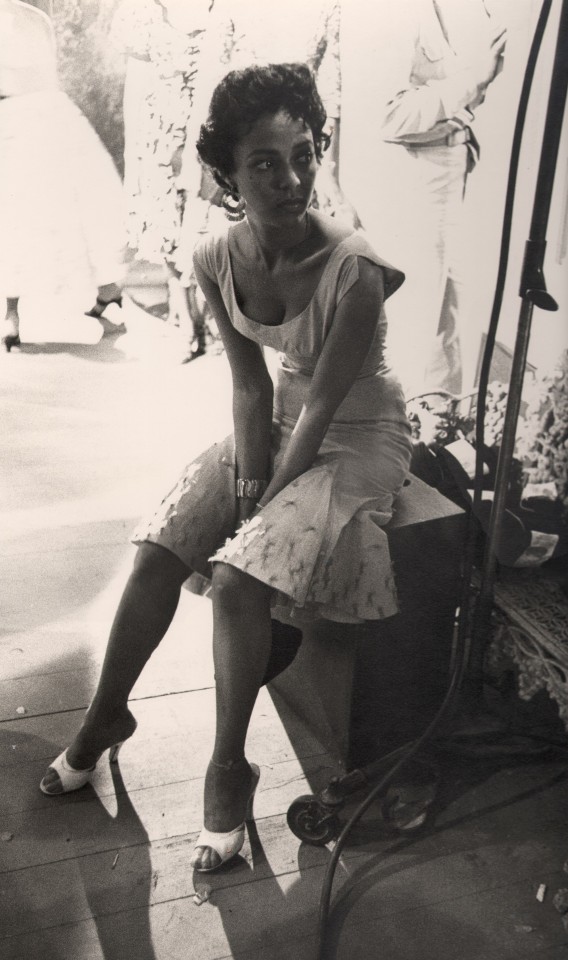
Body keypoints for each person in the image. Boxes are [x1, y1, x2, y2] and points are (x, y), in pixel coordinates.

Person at [39, 63, 413, 873]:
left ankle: (226, 767)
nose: (293, 178)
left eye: (305, 153)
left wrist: (256, 518)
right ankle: (106, 718)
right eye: (267, 163)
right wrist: (245, 483)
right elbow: (251, 387)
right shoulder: (215, 255)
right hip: (278, 421)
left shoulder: (357, 268)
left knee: (239, 581)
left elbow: (323, 410)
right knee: (157, 552)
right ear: (229, 175)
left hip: (359, 437)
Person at [310, 0, 507, 397]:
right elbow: (391, 116)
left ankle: (441, 434)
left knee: (456, 318)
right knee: (419, 323)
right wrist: (472, 82)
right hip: (415, 180)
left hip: (456, 165)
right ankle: (412, 439)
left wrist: (470, 89)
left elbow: (470, 89)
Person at [109, 0, 234, 361]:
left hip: (213, 121)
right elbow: (136, 77)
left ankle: (215, 316)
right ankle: (187, 322)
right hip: (160, 126)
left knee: (211, 218)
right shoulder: (143, 11)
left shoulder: (226, 10)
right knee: (166, 221)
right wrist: (144, 149)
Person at [0, 0, 125, 351]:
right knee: (65, 206)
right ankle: (107, 291)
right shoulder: (36, 18)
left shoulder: (32, 19)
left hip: (23, 116)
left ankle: (13, 314)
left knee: (18, 216)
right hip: (44, 112)